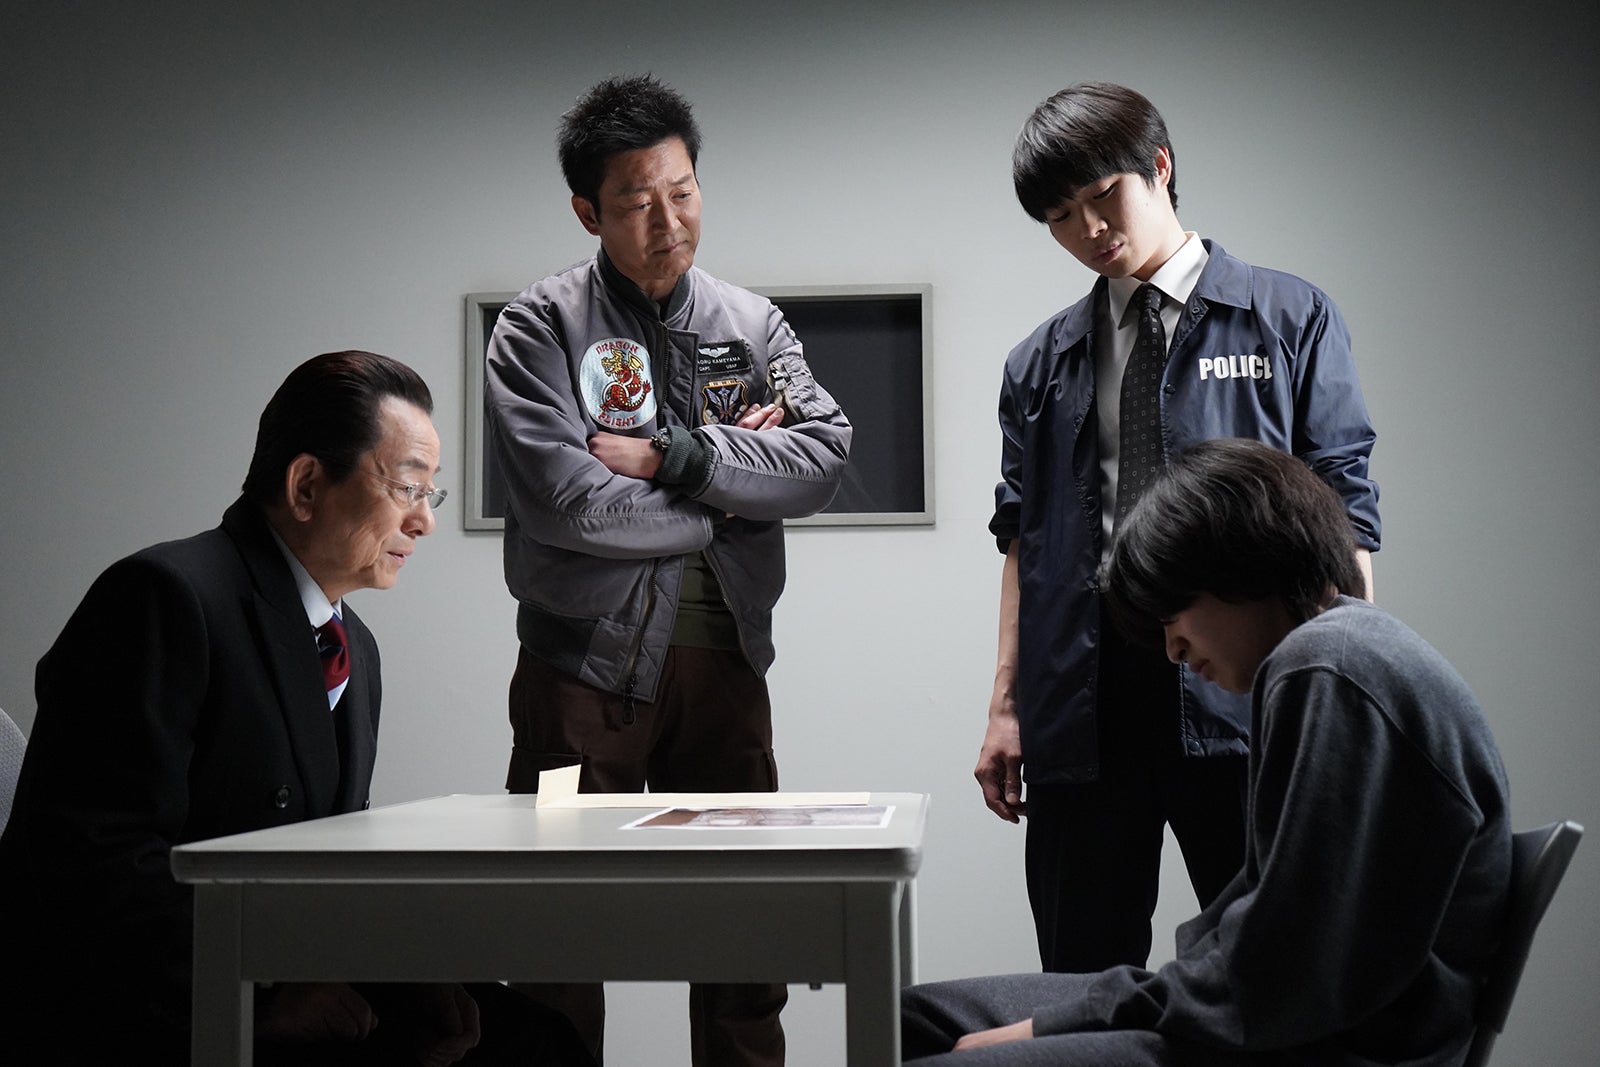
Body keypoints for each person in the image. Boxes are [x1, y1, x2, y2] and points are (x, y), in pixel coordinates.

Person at [0, 351, 593, 1066]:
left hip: (282, 962)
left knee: (537, 1036)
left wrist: (406, 973)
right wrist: (263, 997)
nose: (423, 521)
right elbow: (93, 859)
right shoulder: (163, 596)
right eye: (407, 486)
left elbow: (326, 866)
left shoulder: (354, 647)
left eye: (430, 494)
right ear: (306, 484)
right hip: (155, 1000)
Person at [906, 438, 1511, 1065]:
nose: (1172, 650)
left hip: (1320, 1044)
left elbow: (1274, 972)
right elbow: (1264, 941)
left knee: (943, 1047)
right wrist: (1100, 1009)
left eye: (1173, 613)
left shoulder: (1325, 669)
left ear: (1240, 566)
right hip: (1271, 1014)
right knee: (916, 1016)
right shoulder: (1338, 653)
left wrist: (1048, 1028)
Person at [483, 74, 852, 1067]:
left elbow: (822, 461)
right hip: (576, 677)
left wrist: (676, 458)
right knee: (555, 926)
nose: (668, 220)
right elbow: (567, 501)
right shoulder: (537, 327)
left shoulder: (753, 324)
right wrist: (728, 494)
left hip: (726, 667)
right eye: (637, 201)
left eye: (682, 192)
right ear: (588, 211)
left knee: (744, 925)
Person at [977, 82, 1382, 973]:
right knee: (1080, 976)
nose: (1089, 229)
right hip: (1085, 702)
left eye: (1103, 196)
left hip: (1249, 692)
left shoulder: (1289, 318)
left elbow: (1345, 509)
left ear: (1159, 167)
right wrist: (1006, 706)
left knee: (1275, 969)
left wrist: (1346, 693)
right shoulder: (1038, 363)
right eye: (1060, 215)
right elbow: (1022, 541)